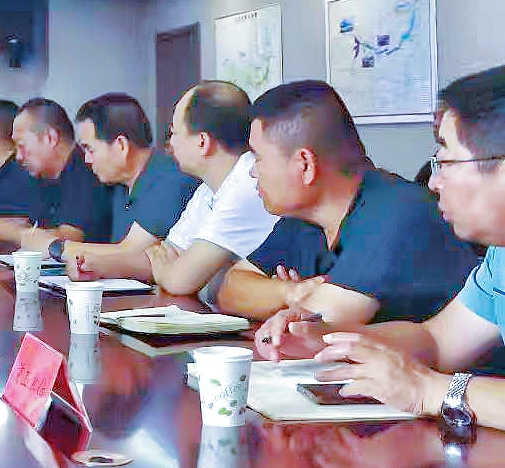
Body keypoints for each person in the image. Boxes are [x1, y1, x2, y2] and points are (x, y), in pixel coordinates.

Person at [258, 66, 505, 430]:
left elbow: (431, 378)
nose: (434, 182)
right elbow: (438, 340)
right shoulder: (500, 256)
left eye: (448, 162)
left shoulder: (395, 208)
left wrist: (430, 390)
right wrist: (326, 338)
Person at [219, 80, 475, 326]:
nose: (253, 171)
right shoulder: (305, 217)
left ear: (305, 165)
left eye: (258, 158)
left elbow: (311, 326)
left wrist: (281, 298)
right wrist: (291, 292)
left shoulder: (395, 213)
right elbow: (230, 290)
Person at [142, 81, 279, 297]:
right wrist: (172, 271)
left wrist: (169, 272)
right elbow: (168, 250)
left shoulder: (248, 184)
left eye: (174, 133)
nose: (170, 144)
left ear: (202, 142)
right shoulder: (209, 187)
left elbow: (179, 281)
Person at [53, 93, 198, 278]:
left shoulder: (172, 179)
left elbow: (130, 252)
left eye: (90, 149)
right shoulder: (119, 184)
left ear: (121, 145)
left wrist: (60, 247)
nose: (87, 159)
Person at [12, 98, 113, 247]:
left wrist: (0, 230)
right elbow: (30, 224)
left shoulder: (86, 171)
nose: (18, 156)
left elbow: (67, 239)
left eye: (22, 145)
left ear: (50, 138)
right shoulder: (44, 176)